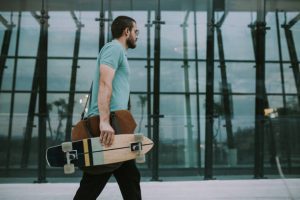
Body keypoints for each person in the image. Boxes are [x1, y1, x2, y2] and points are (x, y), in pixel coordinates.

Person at [74, 16, 141, 200]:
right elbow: (104, 82)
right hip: (109, 127)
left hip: (116, 126)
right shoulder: (114, 49)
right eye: (136, 31)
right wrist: (104, 122)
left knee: (130, 178)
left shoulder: (117, 52)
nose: (137, 36)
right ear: (126, 31)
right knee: (93, 183)